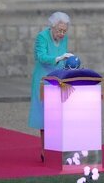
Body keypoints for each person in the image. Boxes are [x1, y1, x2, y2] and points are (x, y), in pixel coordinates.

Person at [28, 11, 73, 162]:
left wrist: (70, 67)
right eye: (59, 30)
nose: (62, 34)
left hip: (59, 77)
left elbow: (64, 56)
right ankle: (45, 149)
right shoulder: (42, 37)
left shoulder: (64, 37)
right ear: (52, 27)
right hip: (43, 79)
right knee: (45, 116)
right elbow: (40, 57)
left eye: (64, 31)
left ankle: (60, 147)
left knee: (60, 115)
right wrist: (58, 58)